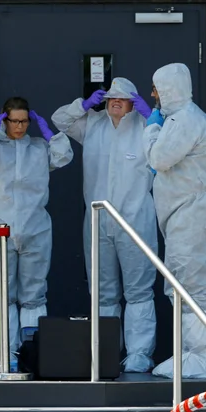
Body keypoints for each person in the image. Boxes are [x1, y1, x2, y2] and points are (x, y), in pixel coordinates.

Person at [51, 77, 158, 373]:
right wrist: (82, 105)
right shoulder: (93, 124)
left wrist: (152, 117)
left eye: (122, 99)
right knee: (103, 291)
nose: (115, 102)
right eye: (111, 98)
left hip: (135, 218)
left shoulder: (145, 127)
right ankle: (107, 350)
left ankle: (139, 353)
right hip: (98, 219)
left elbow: (167, 143)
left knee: (138, 290)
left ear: (133, 103)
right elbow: (60, 120)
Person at [0, 97, 73, 371]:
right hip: (0, 226)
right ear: (4, 120)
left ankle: (32, 353)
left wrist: (49, 132)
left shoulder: (38, 147)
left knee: (34, 293)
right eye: (14, 120)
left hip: (35, 225)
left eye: (24, 121)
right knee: (1, 293)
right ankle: (4, 354)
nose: (20, 126)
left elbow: (64, 156)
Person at [143, 63, 206, 379]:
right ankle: (192, 353)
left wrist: (151, 129)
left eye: (155, 88)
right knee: (181, 282)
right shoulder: (188, 119)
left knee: (189, 284)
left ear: (166, 89)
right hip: (188, 210)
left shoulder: (183, 120)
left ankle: (201, 357)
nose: (152, 94)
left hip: (192, 210)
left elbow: (157, 159)